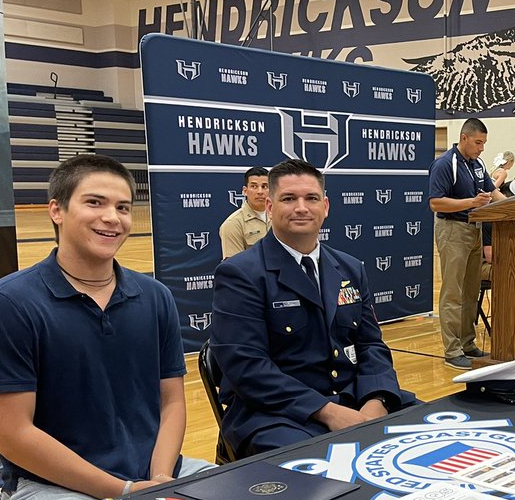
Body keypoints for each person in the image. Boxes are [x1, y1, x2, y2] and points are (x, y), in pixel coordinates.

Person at [0, 154, 213, 500]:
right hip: (48, 488)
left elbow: (172, 400)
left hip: (154, 475)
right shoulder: (7, 304)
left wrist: (159, 479)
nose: (112, 217)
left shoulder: (155, 296)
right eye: (95, 202)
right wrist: (124, 490)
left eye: (123, 207)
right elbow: (13, 436)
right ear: (57, 211)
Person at [210, 159, 413, 454]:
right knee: (327, 478)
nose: (301, 207)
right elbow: (247, 368)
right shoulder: (241, 274)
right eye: (289, 198)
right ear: (269, 207)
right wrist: (329, 412)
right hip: (277, 416)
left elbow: (371, 345)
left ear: (326, 206)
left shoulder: (350, 268)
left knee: (433, 437)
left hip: (355, 401)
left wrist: (376, 401)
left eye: (311, 198)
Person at [428, 118, 496, 369]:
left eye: (484, 143)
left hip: (474, 230)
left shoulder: (477, 165)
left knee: (470, 291)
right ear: (464, 138)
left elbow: (493, 193)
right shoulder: (445, 164)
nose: (481, 148)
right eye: (478, 142)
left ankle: (467, 342)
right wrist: (471, 203)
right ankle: (452, 349)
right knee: (453, 292)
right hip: (453, 230)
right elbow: (435, 203)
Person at [219, 166, 270, 258]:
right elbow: (234, 266)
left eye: (264, 186)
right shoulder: (233, 224)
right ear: (245, 191)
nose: (260, 191)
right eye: (254, 186)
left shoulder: (280, 217)